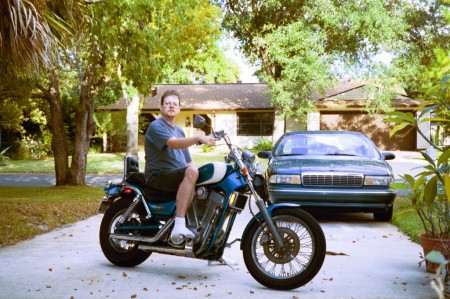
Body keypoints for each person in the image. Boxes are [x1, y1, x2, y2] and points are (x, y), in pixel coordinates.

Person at [144, 90, 216, 242]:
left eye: (174, 104)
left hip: (175, 175)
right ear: (161, 107)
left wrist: (199, 173)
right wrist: (198, 137)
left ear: (179, 109)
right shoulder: (156, 126)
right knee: (191, 172)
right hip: (158, 175)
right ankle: (179, 225)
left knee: (204, 180)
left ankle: (209, 236)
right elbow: (174, 144)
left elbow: (188, 161)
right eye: (168, 103)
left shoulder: (179, 130)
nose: (171, 106)